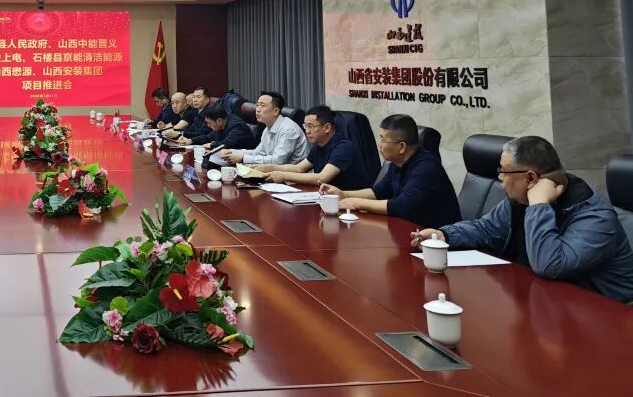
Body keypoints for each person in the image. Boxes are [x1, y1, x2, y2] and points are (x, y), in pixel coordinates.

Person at [411, 136, 633, 303]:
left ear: (530, 178)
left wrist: (539, 206)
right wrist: (445, 235)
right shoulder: (519, 201)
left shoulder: (594, 217)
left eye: (503, 171)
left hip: (607, 318)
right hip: (547, 302)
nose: (500, 179)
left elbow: (550, 265)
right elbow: (487, 229)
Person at [319, 114, 460, 229]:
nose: (379, 145)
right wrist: (343, 194)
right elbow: (378, 192)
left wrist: (356, 203)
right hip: (408, 229)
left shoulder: (426, 168)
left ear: (402, 147)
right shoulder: (397, 162)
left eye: (383, 140)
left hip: (437, 240)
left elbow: (402, 206)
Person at [254, 105, 372, 190]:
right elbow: (299, 168)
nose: (307, 131)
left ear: (327, 127)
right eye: (305, 126)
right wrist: (269, 167)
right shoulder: (319, 145)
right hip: (326, 196)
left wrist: (283, 176)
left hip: (350, 202)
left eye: (311, 126)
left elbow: (322, 178)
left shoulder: (344, 147)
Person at [220, 91, 308, 166]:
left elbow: (278, 161)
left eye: (262, 106)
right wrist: (232, 152)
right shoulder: (267, 128)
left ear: (275, 111)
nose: (257, 109)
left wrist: (243, 158)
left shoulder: (288, 129)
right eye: (257, 105)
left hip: (293, 177)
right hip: (275, 173)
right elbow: (258, 152)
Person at [173, 103, 252, 150]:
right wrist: (191, 141)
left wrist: (212, 145)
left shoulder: (237, 126)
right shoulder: (222, 124)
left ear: (219, 121)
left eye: (209, 123)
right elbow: (209, 137)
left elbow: (227, 143)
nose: (208, 125)